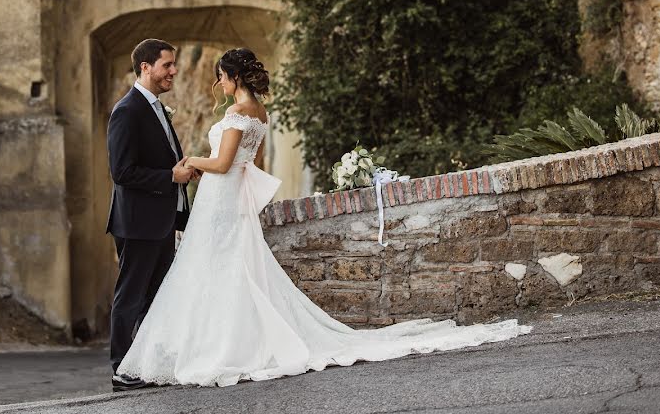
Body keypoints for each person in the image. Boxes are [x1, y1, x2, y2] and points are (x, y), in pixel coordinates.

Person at [116, 47, 531, 388]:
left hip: (220, 198)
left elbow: (225, 165)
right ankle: (211, 344)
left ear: (233, 77)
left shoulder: (238, 114)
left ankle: (211, 348)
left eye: (221, 77)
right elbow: (251, 164)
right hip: (229, 202)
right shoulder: (259, 114)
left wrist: (192, 162)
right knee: (229, 270)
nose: (219, 83)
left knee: (213, 270)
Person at [106, 39, 195, 391]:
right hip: (138, 223)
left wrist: (182, 169)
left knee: (156, 299)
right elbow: (122, 171)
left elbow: (160, 159)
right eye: (167, 65)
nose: (173, 71)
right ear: (146, 67)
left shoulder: (156, 108)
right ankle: (121, 370)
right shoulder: (127, 111)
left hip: (160, 221)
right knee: (130, 297)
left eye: (173, 65)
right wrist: (169, 177)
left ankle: (146, 365)